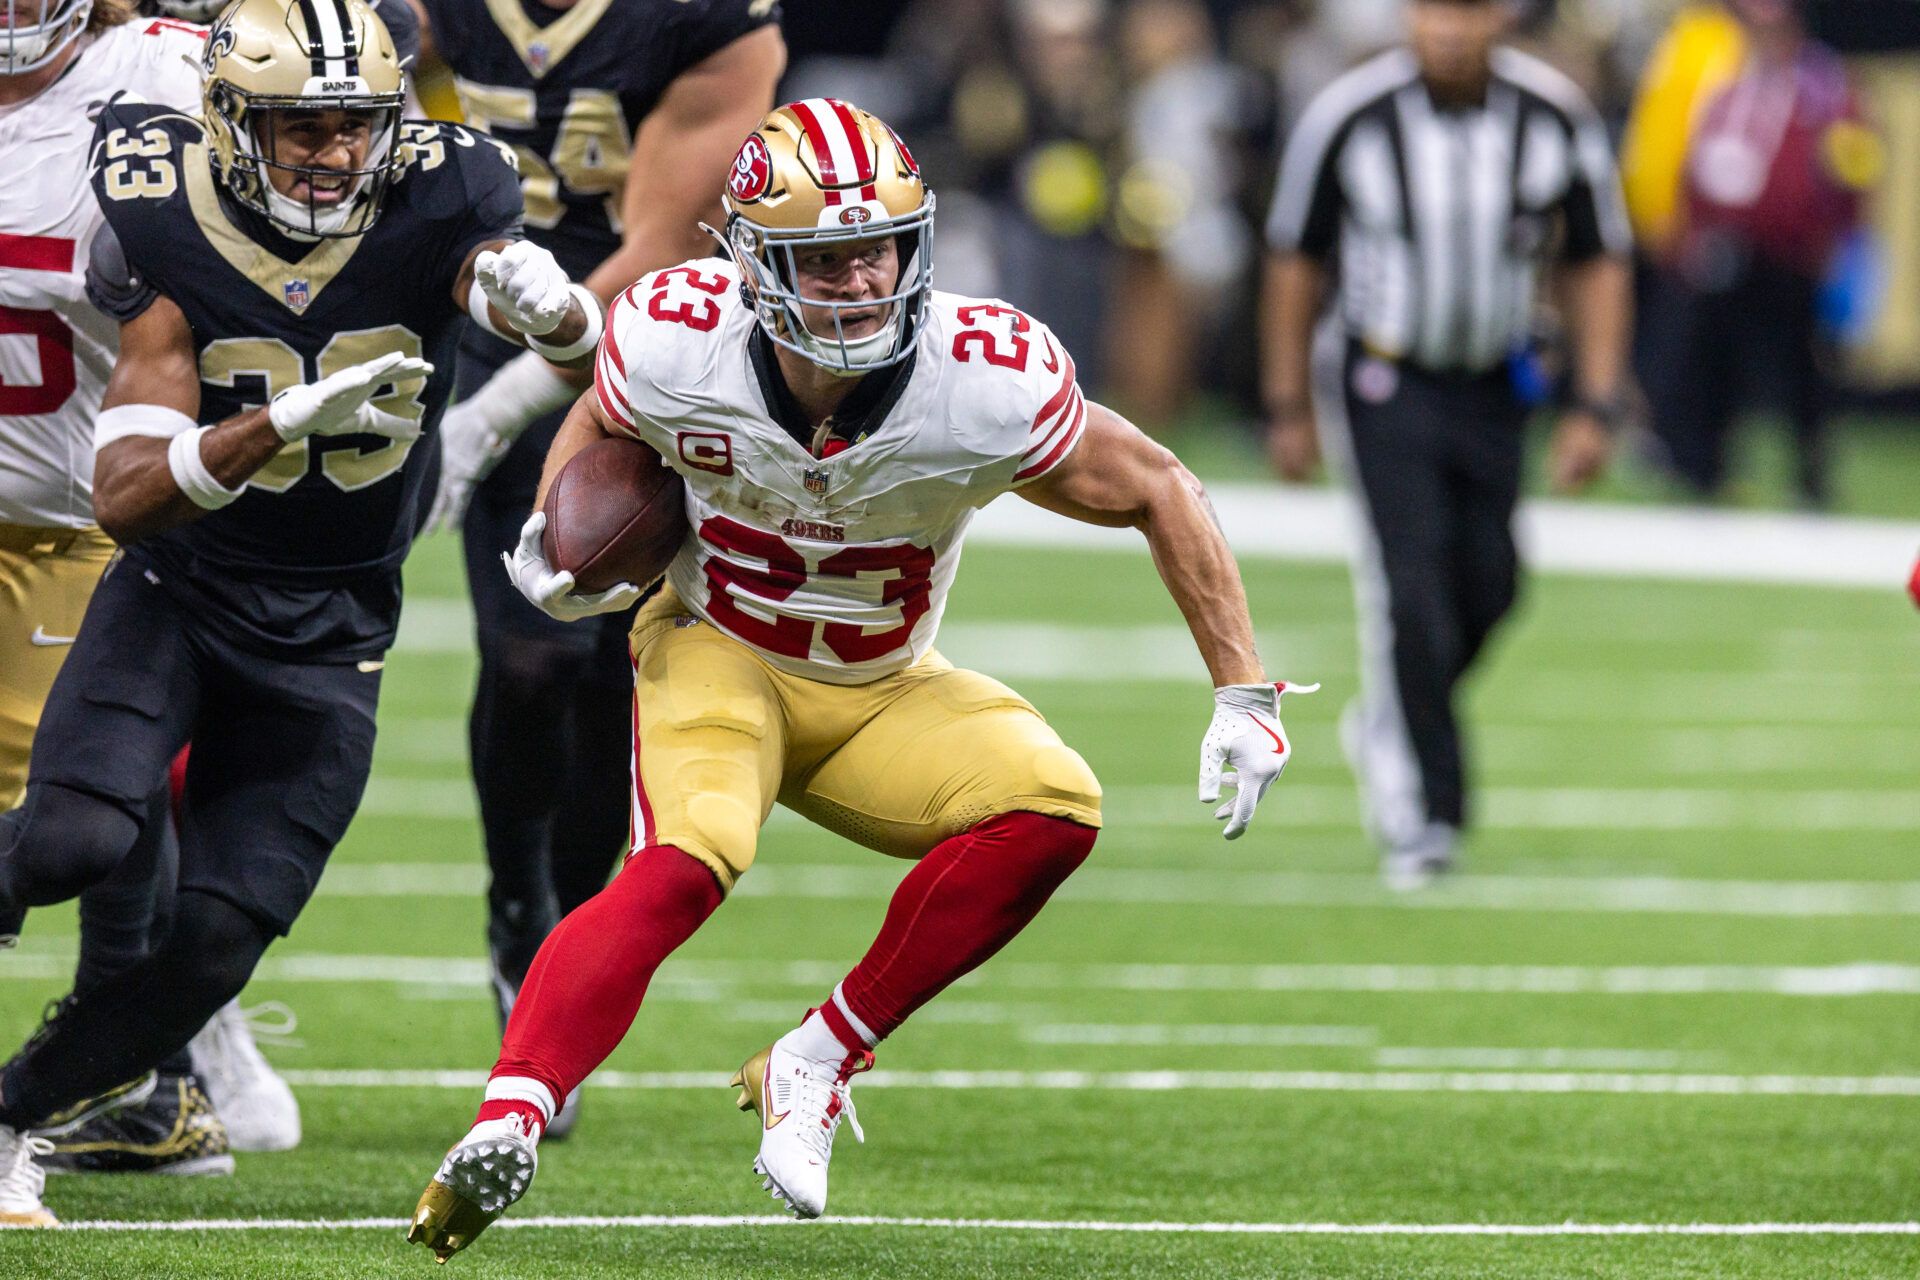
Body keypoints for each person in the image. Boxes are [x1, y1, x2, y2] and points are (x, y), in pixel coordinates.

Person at [405, 97, 1314, 1259]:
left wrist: (1242, 687)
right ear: (751, 262)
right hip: (718, 649)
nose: (858, 279)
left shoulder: (978, 374)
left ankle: (818, 1055)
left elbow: (1154, 483)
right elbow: (601, 410)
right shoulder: (674, 338)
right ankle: (509, 1119)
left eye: (878, 247)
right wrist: (555, 526)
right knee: (690, 860)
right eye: (824, 258)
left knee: (1055, 806)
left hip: (883, 682)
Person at [0, 0, 599, 1227]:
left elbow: (501, 293)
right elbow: (124, 494)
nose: (331, 151)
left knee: (214, 944)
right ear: (224, 126)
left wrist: (557, 312)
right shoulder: (162, 206)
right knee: (67, 840)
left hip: (336, 630)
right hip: (179, 590)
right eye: (297, 127)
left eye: (354, 125)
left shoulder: (451, 186)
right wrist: (271, 422)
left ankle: (13, 1112)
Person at [404, 0, 784, 1139]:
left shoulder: (708, 19)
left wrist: (499, 409)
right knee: (526, 662)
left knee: (615, 676)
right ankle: (519, 915)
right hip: (489, 324)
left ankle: (564, 937)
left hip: (669, 350)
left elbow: (667, 241)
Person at [1261, 0, 1632, 888]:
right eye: (1433, 9)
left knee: (1493, 583)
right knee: (1412, 587)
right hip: (1387, 379)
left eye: (1468, 10)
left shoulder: (1552, 116)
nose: (1450, 29)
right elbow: (1294, 255)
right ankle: (1426, 811)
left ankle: (1393, 715)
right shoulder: (1351, 115)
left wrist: (1596, 401)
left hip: (1495, 384)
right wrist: (1286, 405)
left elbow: (1596, 254)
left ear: (1502, 16)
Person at [0, 0, 272, 1178]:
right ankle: (150, 1073)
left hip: (81, 521)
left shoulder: (165, 74)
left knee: (72, 819)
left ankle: (139, 1070)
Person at [1649, 0, 1877, 509]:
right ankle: (1703, 466)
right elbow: (1698, 160)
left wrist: (1838, 235)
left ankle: (1811, 477)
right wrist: (1693, 228)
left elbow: (1853, 165)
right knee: (1715, 358)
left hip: (1795, 252)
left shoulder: (1823, 88)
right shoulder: (1727, 85)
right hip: (1728, 246)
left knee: (1803, 368)